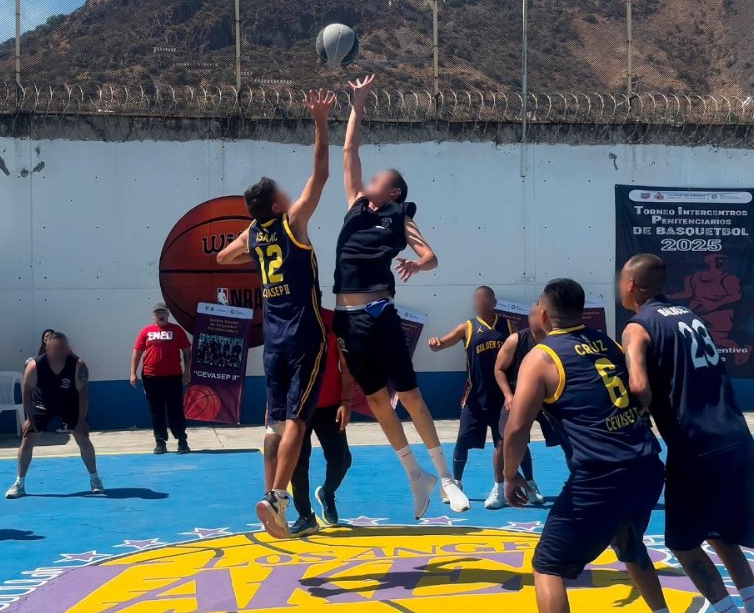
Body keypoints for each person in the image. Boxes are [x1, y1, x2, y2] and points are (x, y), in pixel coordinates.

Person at [503, 279, 683, 613]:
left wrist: (509, 477)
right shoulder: (604, 343)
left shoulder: (542, 357)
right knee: (628, 542)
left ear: (544, 316)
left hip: (600, 477)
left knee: (546, 565)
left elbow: (516, 429)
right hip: (645, 464)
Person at [621, 253, 754, 613]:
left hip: (697, 444)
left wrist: (627, 419)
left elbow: (637, 385)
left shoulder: (638, 326)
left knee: (683, 544)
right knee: (721, 537)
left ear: (633, 285)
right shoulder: (690, 316)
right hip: (736, 437)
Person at [332, 74, 470, 517]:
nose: (368, 180)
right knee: (374, 402)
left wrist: (416, 263)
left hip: (378, 313)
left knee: (409, 396)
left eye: (379, 179)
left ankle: (446, 476)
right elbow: (349, 152)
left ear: (393, 191)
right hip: (347, 319)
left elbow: (431, 256)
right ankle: (416, 474)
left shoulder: (398, 218)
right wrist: (357, 104)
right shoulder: (355, 204)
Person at [216, 88, 336, 538]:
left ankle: (269, 494)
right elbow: (321, 174)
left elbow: (223, 258)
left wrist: (250, 234)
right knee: (298, 422)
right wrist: (321, 121)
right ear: (276, 205)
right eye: (282, 193)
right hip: (305, 335)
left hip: (272, 340)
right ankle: (277, 498)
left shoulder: (254, 236)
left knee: (274, 423)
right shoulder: (292, 223)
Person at [429, 286, 540, 510]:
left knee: (513, 442)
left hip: (503, 397)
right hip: (475, 397)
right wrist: (436, 343)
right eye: (476, 299)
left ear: (493, 301)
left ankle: (529, 482)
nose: (479, 302)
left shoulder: (508, 326)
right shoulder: (468, 327)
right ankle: (456, 484)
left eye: (484, 298)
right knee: (463, 441)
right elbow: (443, 343)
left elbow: (524, 350)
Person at [5, 332, 103, 499]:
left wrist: (81, 420)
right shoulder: (35, 366)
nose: (61, 351)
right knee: (28, 439)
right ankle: (19, 483)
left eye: (64, 348)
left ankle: (95, 479)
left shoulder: (78, 365)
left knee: (83, 437)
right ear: (47, 349)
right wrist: (29, 419)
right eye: (57, 348)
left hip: (69, 403)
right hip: (43, 402)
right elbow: (26, 392)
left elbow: (83, 393)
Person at [288, 308, 355, 536]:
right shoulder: (288, 319)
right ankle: (305, 515)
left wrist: (346, 401)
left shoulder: (334, 321)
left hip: (330, 405)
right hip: (298, 405)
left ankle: (327, 492)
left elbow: (346, 366)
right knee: (297, 463)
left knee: (342, 459)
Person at [494, 298, 566, 462]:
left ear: (545, 317)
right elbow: (498, 369)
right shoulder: (515, 340)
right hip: (518, 398)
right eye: (530, 315)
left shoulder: (556, 342)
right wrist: (508, 395)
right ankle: (501, 484)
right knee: (505, 441)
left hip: (547, 400)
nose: (532, 318)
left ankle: (578, 476)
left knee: (567, 438)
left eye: (536, 315)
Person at [130, 303, 192, 454]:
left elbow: (186, 351)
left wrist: (187, 371)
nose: (161, 315)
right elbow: (137, 352)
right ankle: (160, 442)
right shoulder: (146, 331)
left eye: (163, 312)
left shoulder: (177, 330)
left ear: (168, 314)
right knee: (156, 411)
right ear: (154, 316)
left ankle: (182, 440)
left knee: (176, 410)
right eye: (158, 313)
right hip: (151, 378)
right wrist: (133, 373)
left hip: (173, 377)